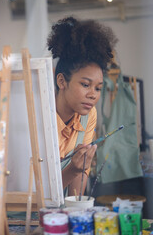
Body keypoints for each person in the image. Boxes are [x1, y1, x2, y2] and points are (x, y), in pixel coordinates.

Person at [47, 16, 118, 196]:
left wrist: (76, 212)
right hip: (21, 215)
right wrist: (73, 168)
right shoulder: (42, 116)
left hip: (58, 211)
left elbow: (76, 195)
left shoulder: (88, 115)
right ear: (62, 81)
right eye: (85, 85)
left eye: (98, 88)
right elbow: (38, 192)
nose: (93, 94)